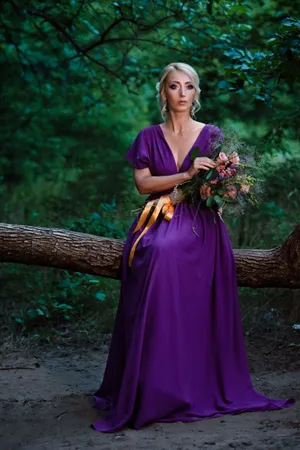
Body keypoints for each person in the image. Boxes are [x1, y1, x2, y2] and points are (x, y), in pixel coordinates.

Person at [92, 62, 295, 433]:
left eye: (188, 87)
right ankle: (150, 381)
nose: (182, 93)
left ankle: (184, 380)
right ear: (163, 93)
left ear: (196, 94)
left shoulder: (212, 134)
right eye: (174, 86)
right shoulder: (148, 136)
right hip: (161, 213)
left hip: (201, 222)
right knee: (151, 252)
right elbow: (143, 184)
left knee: (165, 254)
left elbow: (226, 185)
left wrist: (216, 187)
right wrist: (186, 176)